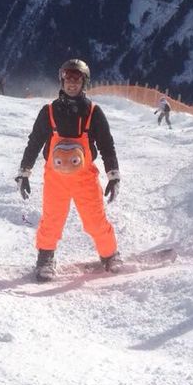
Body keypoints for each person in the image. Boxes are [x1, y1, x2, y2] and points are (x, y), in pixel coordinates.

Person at [15, 59, 121, 281]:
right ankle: (45, 258)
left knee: (95, 219)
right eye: (68, 78)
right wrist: (25, 171)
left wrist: (113, 174)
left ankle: (109, 254)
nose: (72, 83)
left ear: (84, 82)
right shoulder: (49, 111)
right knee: (52, 219)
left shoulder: (93, 112)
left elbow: (106, 144)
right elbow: (34, 142)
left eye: (77, 79)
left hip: (85, 178)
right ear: (61, 81)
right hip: (55, 178)